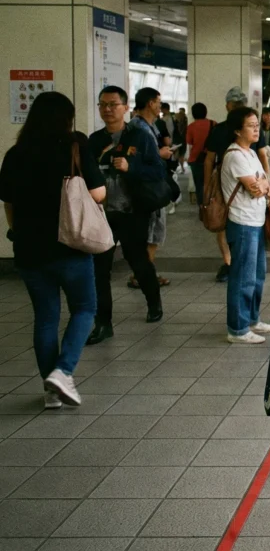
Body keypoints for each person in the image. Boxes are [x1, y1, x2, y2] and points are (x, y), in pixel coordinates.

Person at [0, 92, 105, 409]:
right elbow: (98, 193)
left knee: (45, 318)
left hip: (29, 249)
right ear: (67, 119)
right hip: (69, 245)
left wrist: (18, 232)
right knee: (85, 308)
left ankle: (51, 392)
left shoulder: (16, 154)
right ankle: (63, 372)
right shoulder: (75, 146)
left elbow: (9, 202)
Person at [88, 85, 166, 344]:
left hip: (133, 212)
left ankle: (153, 301)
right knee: (100, 270)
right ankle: (103, 323)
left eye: (113, 104)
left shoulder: (139, 136)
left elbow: (158, 171)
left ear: (125, 107)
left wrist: (131, 167)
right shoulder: (94, 140)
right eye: (103, 105)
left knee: (139, 262)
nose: (107, 109)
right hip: (102, 215)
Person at [219, 106, 270, 344]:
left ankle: (251, 318)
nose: (256, 129)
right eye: (251, 126)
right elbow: (256, 189)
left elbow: (266, 184)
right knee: (243, 277)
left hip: (256, 222)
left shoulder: (251, 153)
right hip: (242, 223)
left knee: (257, 275)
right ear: (237, 130)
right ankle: (237, 328)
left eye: (257, 125)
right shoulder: (235, 156)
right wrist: (263, 184)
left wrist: (264, 184)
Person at [204, 87, 270, 282]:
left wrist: (267, 180)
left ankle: (231, 264)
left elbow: (262, 156)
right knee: (223, 222)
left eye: (241, 105)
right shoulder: (221, 132)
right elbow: (209, 159)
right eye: (235, 105)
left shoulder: (250, 146)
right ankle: (228, 262)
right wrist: (207, 186)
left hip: (250, 202)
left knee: (254, 274)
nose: (237, 108)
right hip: (228, 186)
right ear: (227, 106)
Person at [129, 88, 173, 288]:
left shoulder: (149, 126)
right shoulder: (139, 128)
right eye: (158, 102)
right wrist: (160, 154)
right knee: (152, 232)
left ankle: (144, 272)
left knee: (152, 232)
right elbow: (140, 158)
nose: (160, 106)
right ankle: (143, 275)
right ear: (149, 103)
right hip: (148, 188)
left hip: (151, 186)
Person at [186, 102, 214, 209]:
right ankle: (210, 205)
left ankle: (202, 208)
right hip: (211, 159)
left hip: (196, 159)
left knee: (199, 185)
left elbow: (190, 142)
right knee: (211, 183)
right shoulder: (213, 124)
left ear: (193, 114)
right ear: (205, 112)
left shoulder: (191, 127)